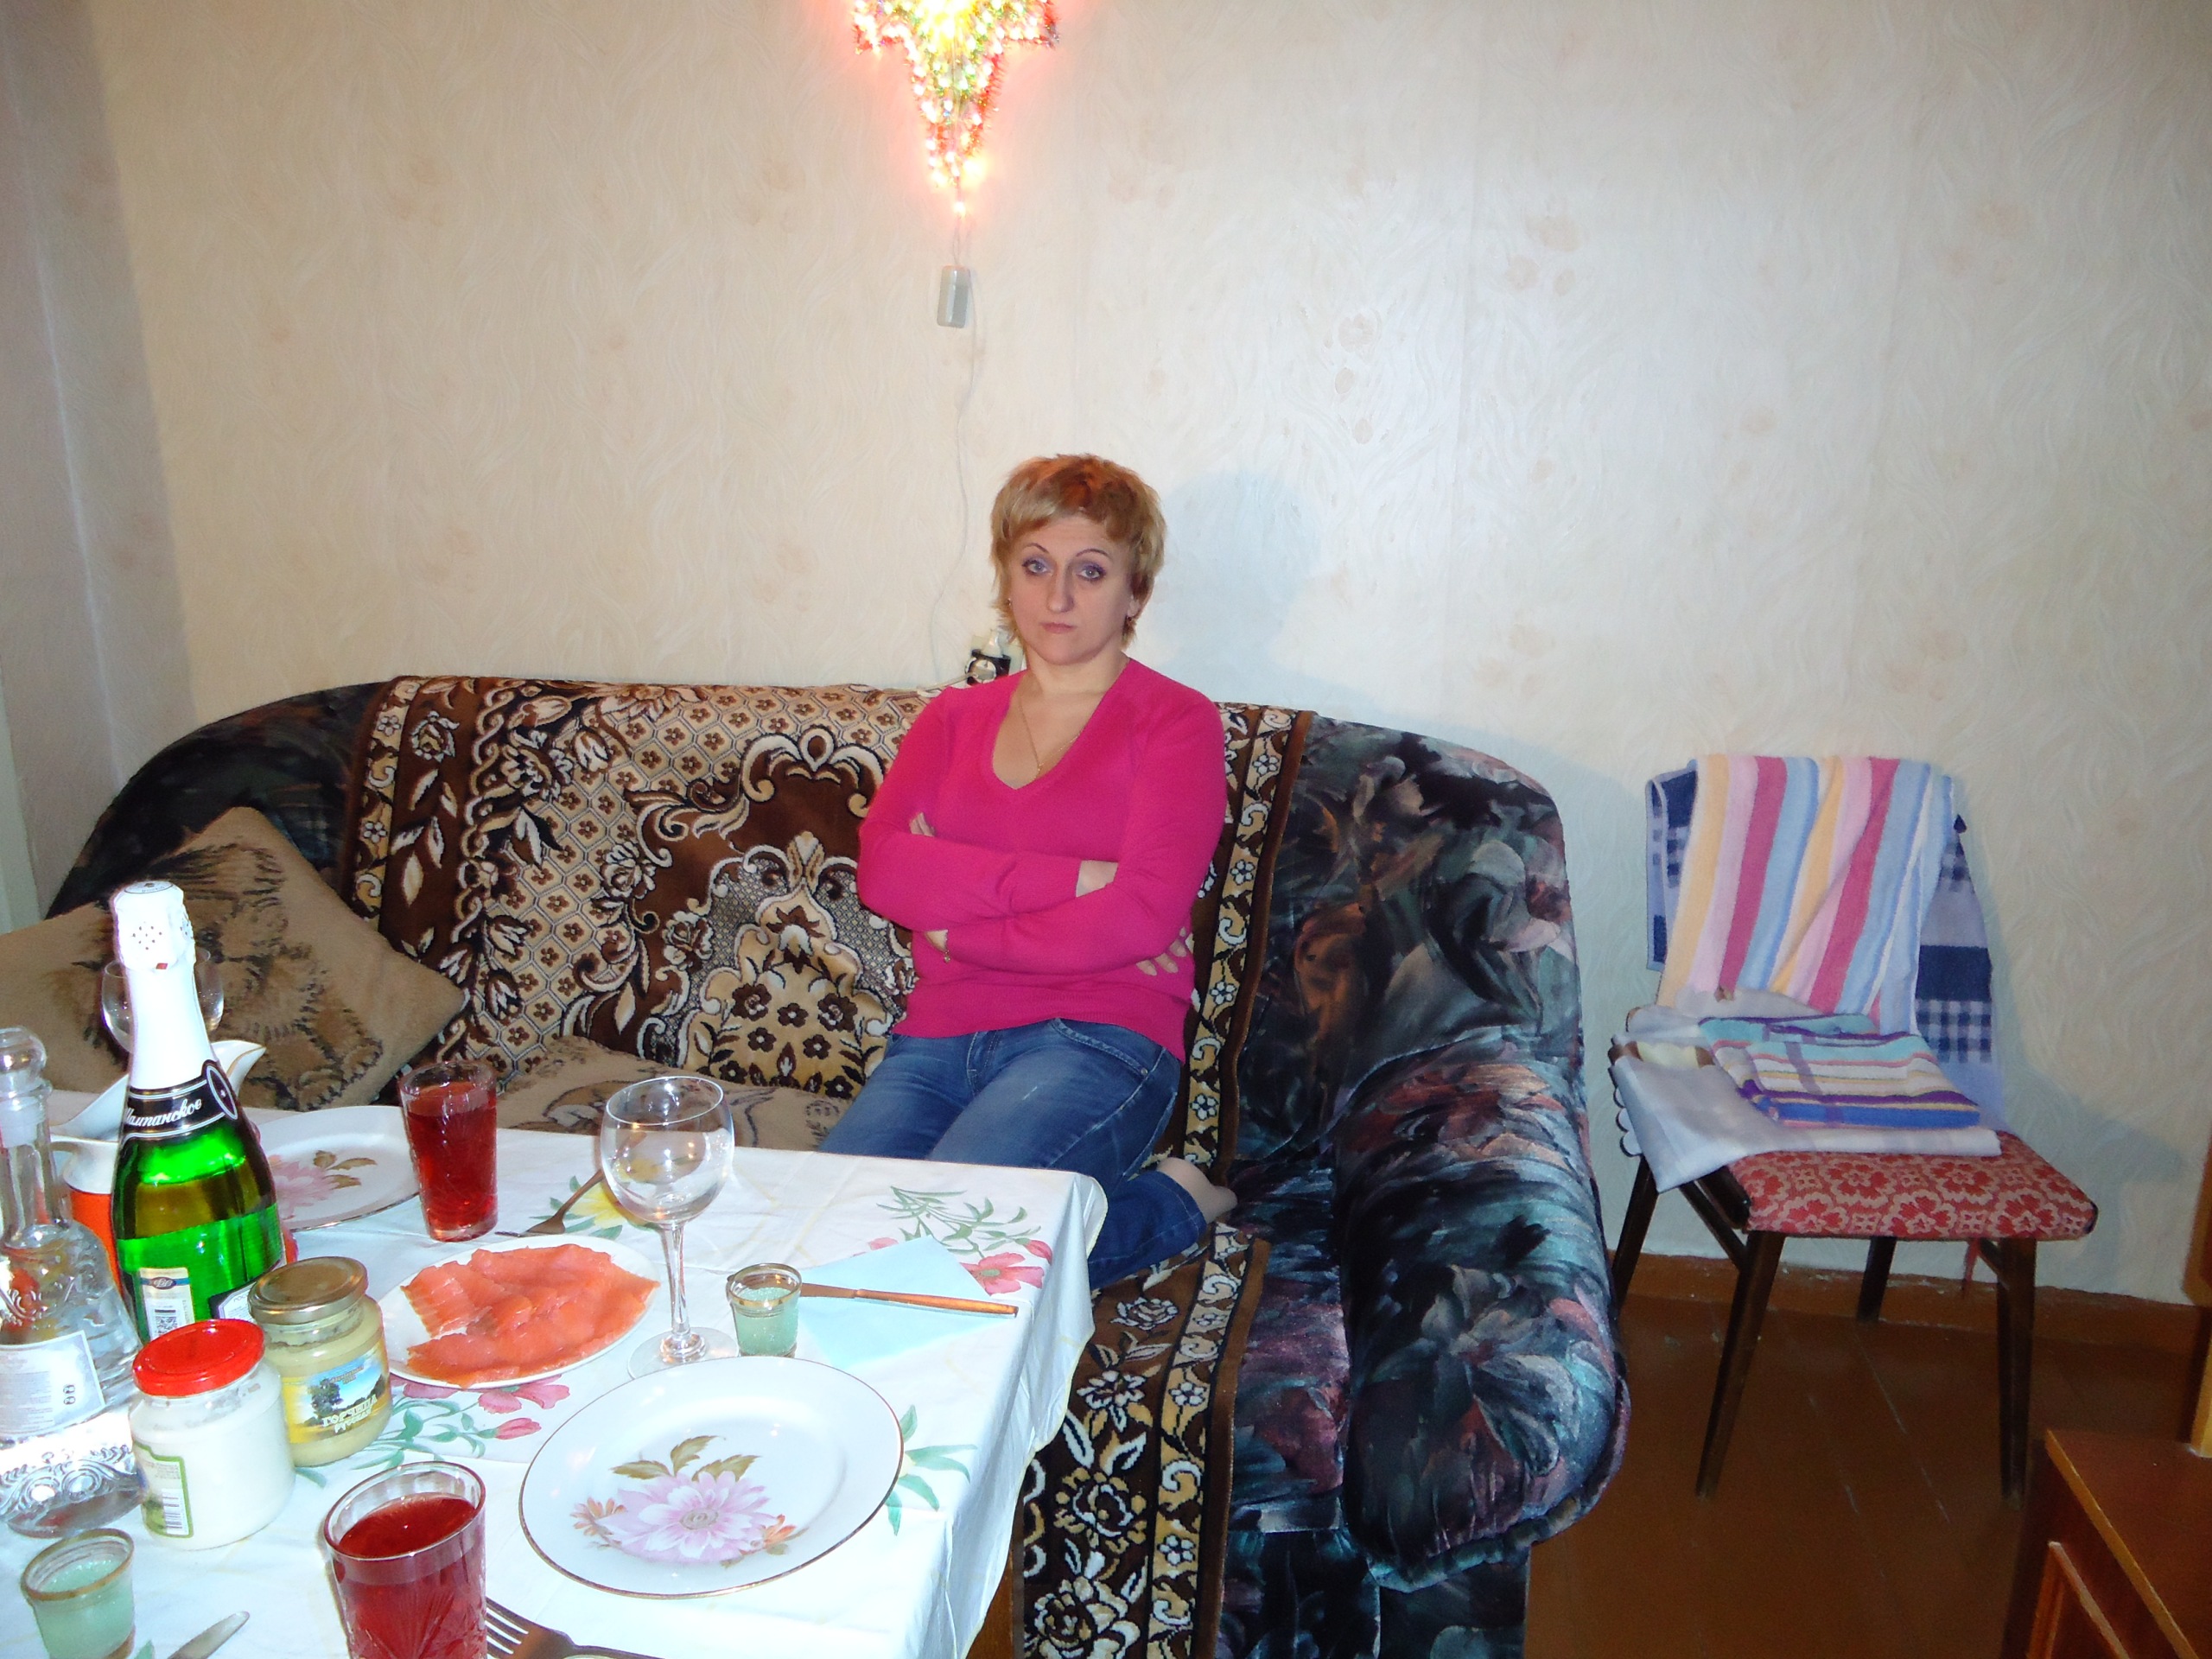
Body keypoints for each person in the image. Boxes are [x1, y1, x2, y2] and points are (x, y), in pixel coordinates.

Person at [820, 454, 1237, 1286]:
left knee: (940, 1253)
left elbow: (1141, 917)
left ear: (1135, 592)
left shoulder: (1175, 722)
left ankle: (1175, 1203)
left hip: (1098, 1035)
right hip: (937, 1038)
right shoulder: (952, 718)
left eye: (1092, 571)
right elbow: (885, 872)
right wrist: (1075, 879)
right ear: (1007, 578)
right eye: (1036, 565)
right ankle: (1124, 1214)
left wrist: (960, 929)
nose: (1059, 598)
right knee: (819, 1240)